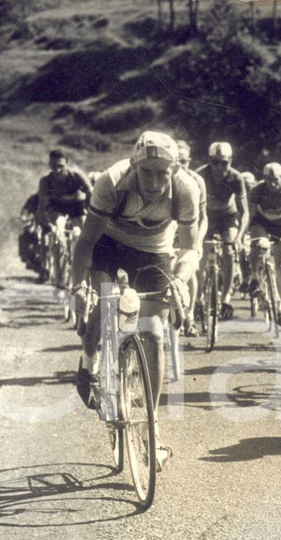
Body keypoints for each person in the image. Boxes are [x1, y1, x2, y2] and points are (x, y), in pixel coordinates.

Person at [70, 131, 202, 469]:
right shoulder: (112, 181)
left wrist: (180, 280)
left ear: (173, 170)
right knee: (106, 302)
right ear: (134, 167)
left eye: (163, 173)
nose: (156, 182)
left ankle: (152, 427)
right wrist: (78, 286)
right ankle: (90, 361)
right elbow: (85, 242)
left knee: (154, 333)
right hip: (108, 245)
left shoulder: (186, 187)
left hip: (154, 251)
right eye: (147, 173)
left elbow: (190, 249)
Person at [195, 141, 249, 320]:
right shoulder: (200, 175)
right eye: (215, 162)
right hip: (207, 217)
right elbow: (192, 208)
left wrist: (239, 238)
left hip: (228, 216)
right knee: (200, 257)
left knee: (229, 250)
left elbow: (245, 212)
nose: (219, 167)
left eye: (224, 163)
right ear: (209, 161)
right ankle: (198, 299)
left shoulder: (236, 177)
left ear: (230, 162)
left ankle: (226, 299)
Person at [247, 162, 281, 326]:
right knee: (257, 242)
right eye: (268, 180)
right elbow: (251, 216)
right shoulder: (257, 190)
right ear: (264, 179)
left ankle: (280, 303)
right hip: (260, 222)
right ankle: (255, 275)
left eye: (275, 180)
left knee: (280, 265)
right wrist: (249, 237)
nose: (272, 184)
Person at [174, 140, 208, 336]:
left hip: (190, 230)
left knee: (191, 269)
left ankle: (190, 316)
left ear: (190, 161)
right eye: (178, 161)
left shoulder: (197, 181)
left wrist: (199, 241)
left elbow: (203, 217)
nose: (181, 166)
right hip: (170, 229)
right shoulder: (165, 177)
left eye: (185, 162)